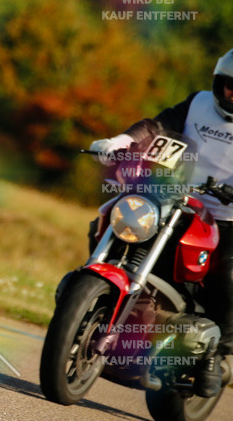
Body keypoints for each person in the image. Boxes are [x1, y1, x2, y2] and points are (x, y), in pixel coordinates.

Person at [90, 49, 233, 397]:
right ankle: (99, 298)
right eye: (230, 85)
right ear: (218, 82)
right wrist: (121, 142)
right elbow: (157, 127)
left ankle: (216, 354)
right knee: (113, 214)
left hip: (227, 219)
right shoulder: (198, 104)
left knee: (229, 277)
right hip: (175, 200)